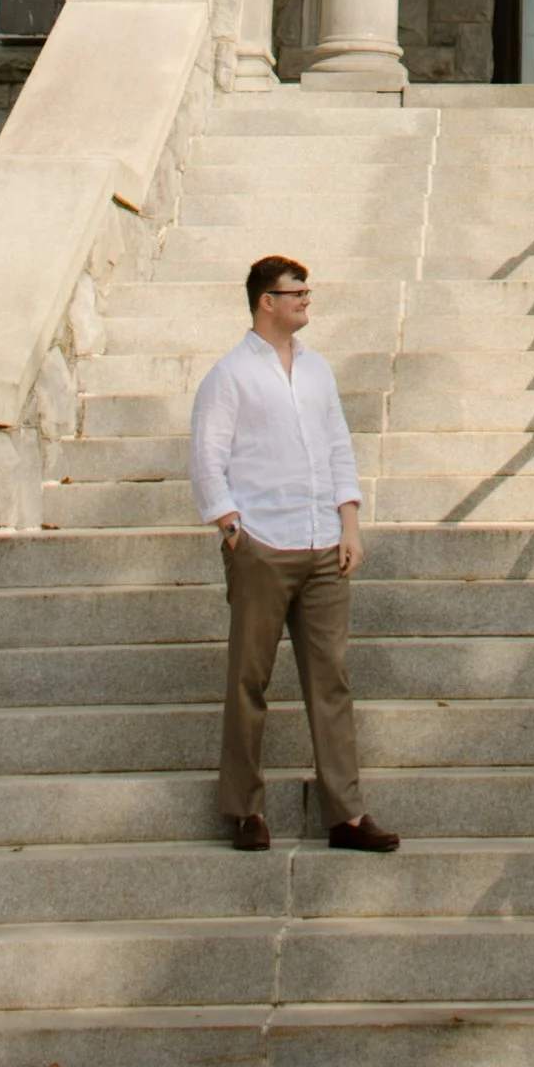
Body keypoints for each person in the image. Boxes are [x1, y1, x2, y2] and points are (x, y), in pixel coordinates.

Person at [190, 252, 398, 855]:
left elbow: (338, 447)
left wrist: (350, 524)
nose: (306, 299)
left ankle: (346, 815)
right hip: (263, 545)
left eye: (308, 290)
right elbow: (207, 458)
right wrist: (234, 530)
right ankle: (245, 810)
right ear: (266, 301)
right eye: (296, 291)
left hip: (323, 547)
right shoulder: (229, 375)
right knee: (249, 679)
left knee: (331, 681)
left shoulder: (317, 371)